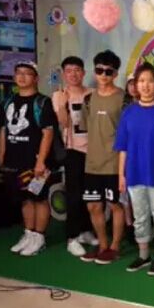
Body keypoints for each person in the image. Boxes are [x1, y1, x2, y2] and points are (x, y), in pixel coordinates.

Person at [115, 63, 154, 275]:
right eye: (141, 81)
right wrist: (121, 175)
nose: (145, 85)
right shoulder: (129, 112)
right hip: (134, 174)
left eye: (150, 81)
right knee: (139, 216)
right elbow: (122, 148)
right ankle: (143, 255)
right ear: (135, 85)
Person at [0, 61, 56, 256]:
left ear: (36, 78)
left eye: (27, 73)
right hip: (14, 159)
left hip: (35, 160)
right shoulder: (8, 101)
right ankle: (29, 233)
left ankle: (39, 237)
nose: (22, 77)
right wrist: (2, 155)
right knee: (24, 199)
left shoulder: (43, 102)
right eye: (19, 73)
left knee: (38, 198)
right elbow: (3, 130)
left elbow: (48, 133)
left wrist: (41, 161)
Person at [79, 50, 126, 265]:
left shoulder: (124, 98)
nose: (103, 75)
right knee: (93, 206)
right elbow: (84, 127)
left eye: (109, 71)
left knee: (116, 205)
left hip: (115, 163)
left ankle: (115, 246)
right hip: (92, 164)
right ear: (94, 71)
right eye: (99, 70)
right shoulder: (88, 99)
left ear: (115, 74)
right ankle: (102, 244)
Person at [51, 56, 97, 257]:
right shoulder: (59, 95)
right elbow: (63, 124)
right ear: (63, 74)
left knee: (90, 195)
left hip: (94, 151)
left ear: (84, 72)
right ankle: (72, 238)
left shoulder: (93, 93)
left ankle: (86, 231)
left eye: (77, 70)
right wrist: (62, 105)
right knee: (74, 196)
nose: (73, 74)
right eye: (69, 71)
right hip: (73, 151)